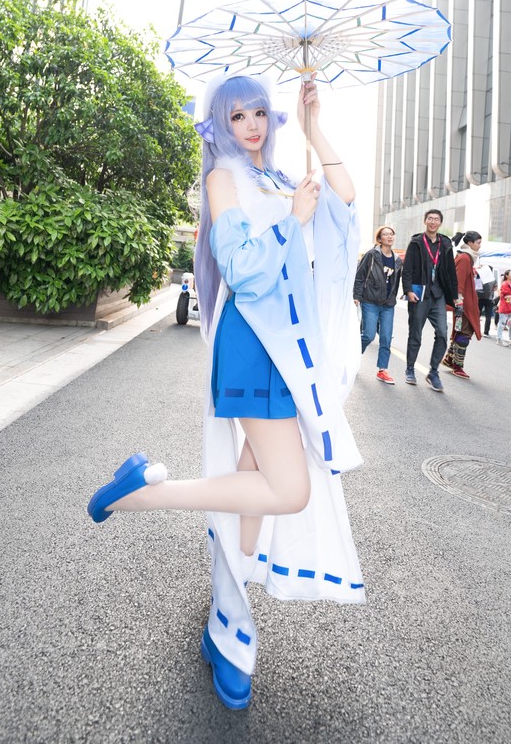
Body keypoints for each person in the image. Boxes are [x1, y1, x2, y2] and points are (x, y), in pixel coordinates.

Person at [86, 72, 365, 711]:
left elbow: (346, 201)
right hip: (256, 343)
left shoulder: (281, 177)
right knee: (288, 490)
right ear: (220, 124)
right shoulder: (223, 179)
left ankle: (228, 624)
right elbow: (240, 268)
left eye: (260, 112)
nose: (251, 125)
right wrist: (292, 219)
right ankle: (142, 495)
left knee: (252, 499)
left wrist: (315, 126)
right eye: (237, 116)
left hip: (290, 350)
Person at [401, 209, 460, 391]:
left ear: (440, 223)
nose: (433, 222)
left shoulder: (445, 243)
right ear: (425, 221)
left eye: (436, 219)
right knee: (415, 334)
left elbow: (451, 271)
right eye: (430, 219)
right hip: (420, 294)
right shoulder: (416, 243)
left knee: (442, 333)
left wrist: (455, 296)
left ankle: (433, 372)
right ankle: (410, 369)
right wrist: (408, 290)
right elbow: (407, 268)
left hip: (438, 295)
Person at [353, 226, 403, 384]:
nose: (389, 236)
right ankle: (352, 358)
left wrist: (394, 297)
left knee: (386, 338)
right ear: (379, 239)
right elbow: (360, 276)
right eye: (385, 234)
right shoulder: (372, 255)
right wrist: (357, 296)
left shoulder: (397, 259)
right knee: (368, 335)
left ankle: (382, 370)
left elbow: (396, 282)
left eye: (391, 234)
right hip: (370, 301)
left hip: (388, 304)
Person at [441, 231, 483, 379]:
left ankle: (449, 359)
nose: (479, 246)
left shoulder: (466, 257)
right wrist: (458, 302)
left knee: (460, 331)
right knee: (464, 332)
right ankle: (457, 366)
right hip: (463, 304)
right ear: (470, 243)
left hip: (464, 303)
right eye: (478, 243)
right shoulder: (465, 258)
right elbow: (458, 282)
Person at [496, 269, 511, 347]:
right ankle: (499, 339)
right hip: (505, 306)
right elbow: (505, 295)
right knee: (502, 323)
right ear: (507, 276)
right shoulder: (504, 284)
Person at [477, 267, 496, 337]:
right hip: (489, 299)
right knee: (488, 316)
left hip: (480, 298)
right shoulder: (493, 279)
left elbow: (477, 288)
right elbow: (495, 288)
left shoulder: (479, 277)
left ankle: (476, 329)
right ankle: (486, 332)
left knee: (478, 314)